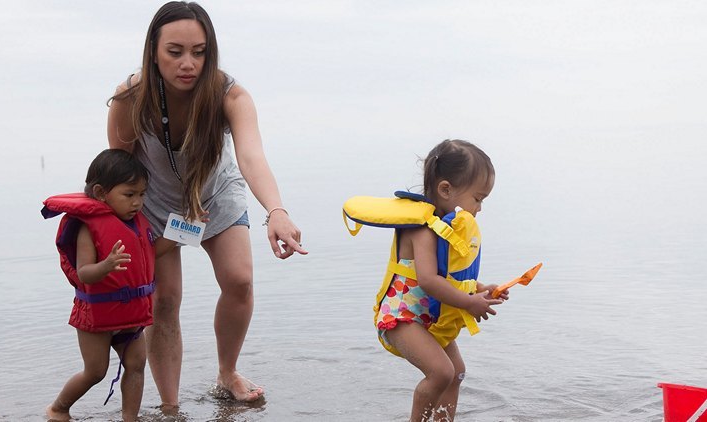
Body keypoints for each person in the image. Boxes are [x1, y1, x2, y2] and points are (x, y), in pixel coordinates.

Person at [106, 1, 307, 409]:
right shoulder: (130, 97)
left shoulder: (230, 94)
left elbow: (251, 157)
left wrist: (277, 211)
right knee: (165, 300)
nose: (188, 63)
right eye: (175, 52)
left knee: (239, 280)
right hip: (155, 199)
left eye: (199, 52)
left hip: (215, 191)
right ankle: (170, 406)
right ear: (153, 51)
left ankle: (227, 371)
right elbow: (120, 170)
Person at [357, 139, 506, 421]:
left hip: (427, 318)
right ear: (446, 189)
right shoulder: (421, 230)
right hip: (401, 318)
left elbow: (446, 277)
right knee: (441, 373)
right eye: (478, 198)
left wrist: (479, 289)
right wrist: (468, 303)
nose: (480, 208)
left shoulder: (445, 230)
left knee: (456, 372)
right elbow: (427, 280)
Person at [42, 149, 170, 422]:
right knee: (96, 371)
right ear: (101, 193)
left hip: (131, 315)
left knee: (136, 365)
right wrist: (107, 265)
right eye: (129, 194)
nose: (138, 202)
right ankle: (59, 408)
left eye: (142, 194)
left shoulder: (136, 223)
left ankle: (129, 418)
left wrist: (190, 228)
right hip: (96, 318)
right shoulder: (89, 228)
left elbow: (153, 250)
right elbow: (85, 272)